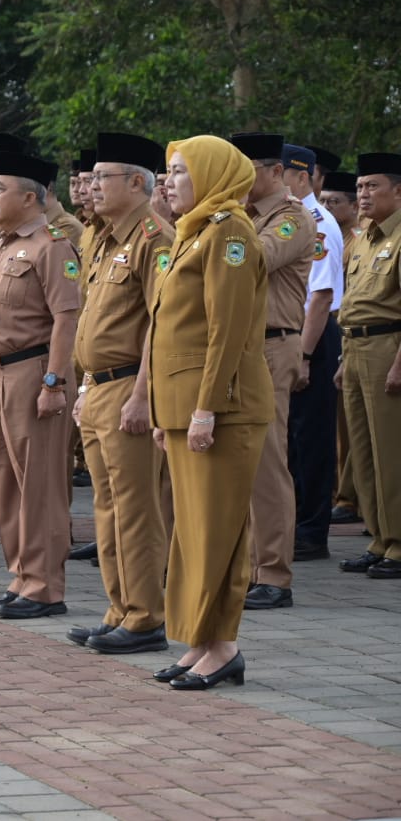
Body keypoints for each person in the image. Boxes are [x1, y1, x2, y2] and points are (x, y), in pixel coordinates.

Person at [149, 135, 273, 690]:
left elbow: (227, 332)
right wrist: (163, 409)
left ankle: (223, 647)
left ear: (212, 175)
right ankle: (202, 642)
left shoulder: (229, 232)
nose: (168, 181)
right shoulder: (193, 231)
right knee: (193, 532)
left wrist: (206, 409)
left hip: (222, 407)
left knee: (218, 530)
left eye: (179, 171)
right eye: (167, 171)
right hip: (184, 405)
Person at [67, 133, 172, 653]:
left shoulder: (156, 237)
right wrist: (86, 385)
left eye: (101, 177)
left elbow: (161, 323)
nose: (90, 186)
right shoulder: (105, 237)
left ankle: (147, 616)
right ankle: (120, 609)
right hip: (100, 387)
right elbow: (91, 320)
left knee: (135, 509)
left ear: (136, 182)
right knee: (106, 508)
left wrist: (142, 396)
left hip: (131, 384)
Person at [0, 153, 80, 618]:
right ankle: (21, 576)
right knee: (4, 483)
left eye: (0, 189)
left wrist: (53, 382)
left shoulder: (53, 247)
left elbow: (65, 318)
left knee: (39, 485)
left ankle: (46, 587)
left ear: (30, 197)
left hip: (30, 375)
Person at [228, 133, 316, 611]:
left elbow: (248, 260)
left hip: (272, 345)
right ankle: (248, 566)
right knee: (238, 459)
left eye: (250, 170)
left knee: (265, 460)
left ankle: (274, 575)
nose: (241, 180)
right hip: (239, 347)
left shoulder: (291, 219)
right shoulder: (245, 218)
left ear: (276, 173)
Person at [335, 153, 401, 580]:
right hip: (355, 347)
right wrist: (343, 357)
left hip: (387, 347)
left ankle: (399, 543)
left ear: (398, 191)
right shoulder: (360, 239)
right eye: (360, 187)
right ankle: (378, 537)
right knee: (362, 451)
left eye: (372, 186)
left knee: (390, 450)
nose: (362, 194)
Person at [282, 145, 345, 563]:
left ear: (301, 177)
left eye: (275, 171)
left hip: (314, 339)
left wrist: (303, 356)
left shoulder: (317, 222)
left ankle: (311, 530)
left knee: (311, 437)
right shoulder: (292, 219)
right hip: (296, 336)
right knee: (292, 437)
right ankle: (296, 522)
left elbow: (320, 298)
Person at [321, 171, 365, 526]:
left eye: (334, 201)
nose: (327, 206)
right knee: (347, 427)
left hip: (361, 335)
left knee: (355, 431)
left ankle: (350, 498)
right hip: (349, 334)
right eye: (324, 200)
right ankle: (349, 497)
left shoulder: (360, 238)